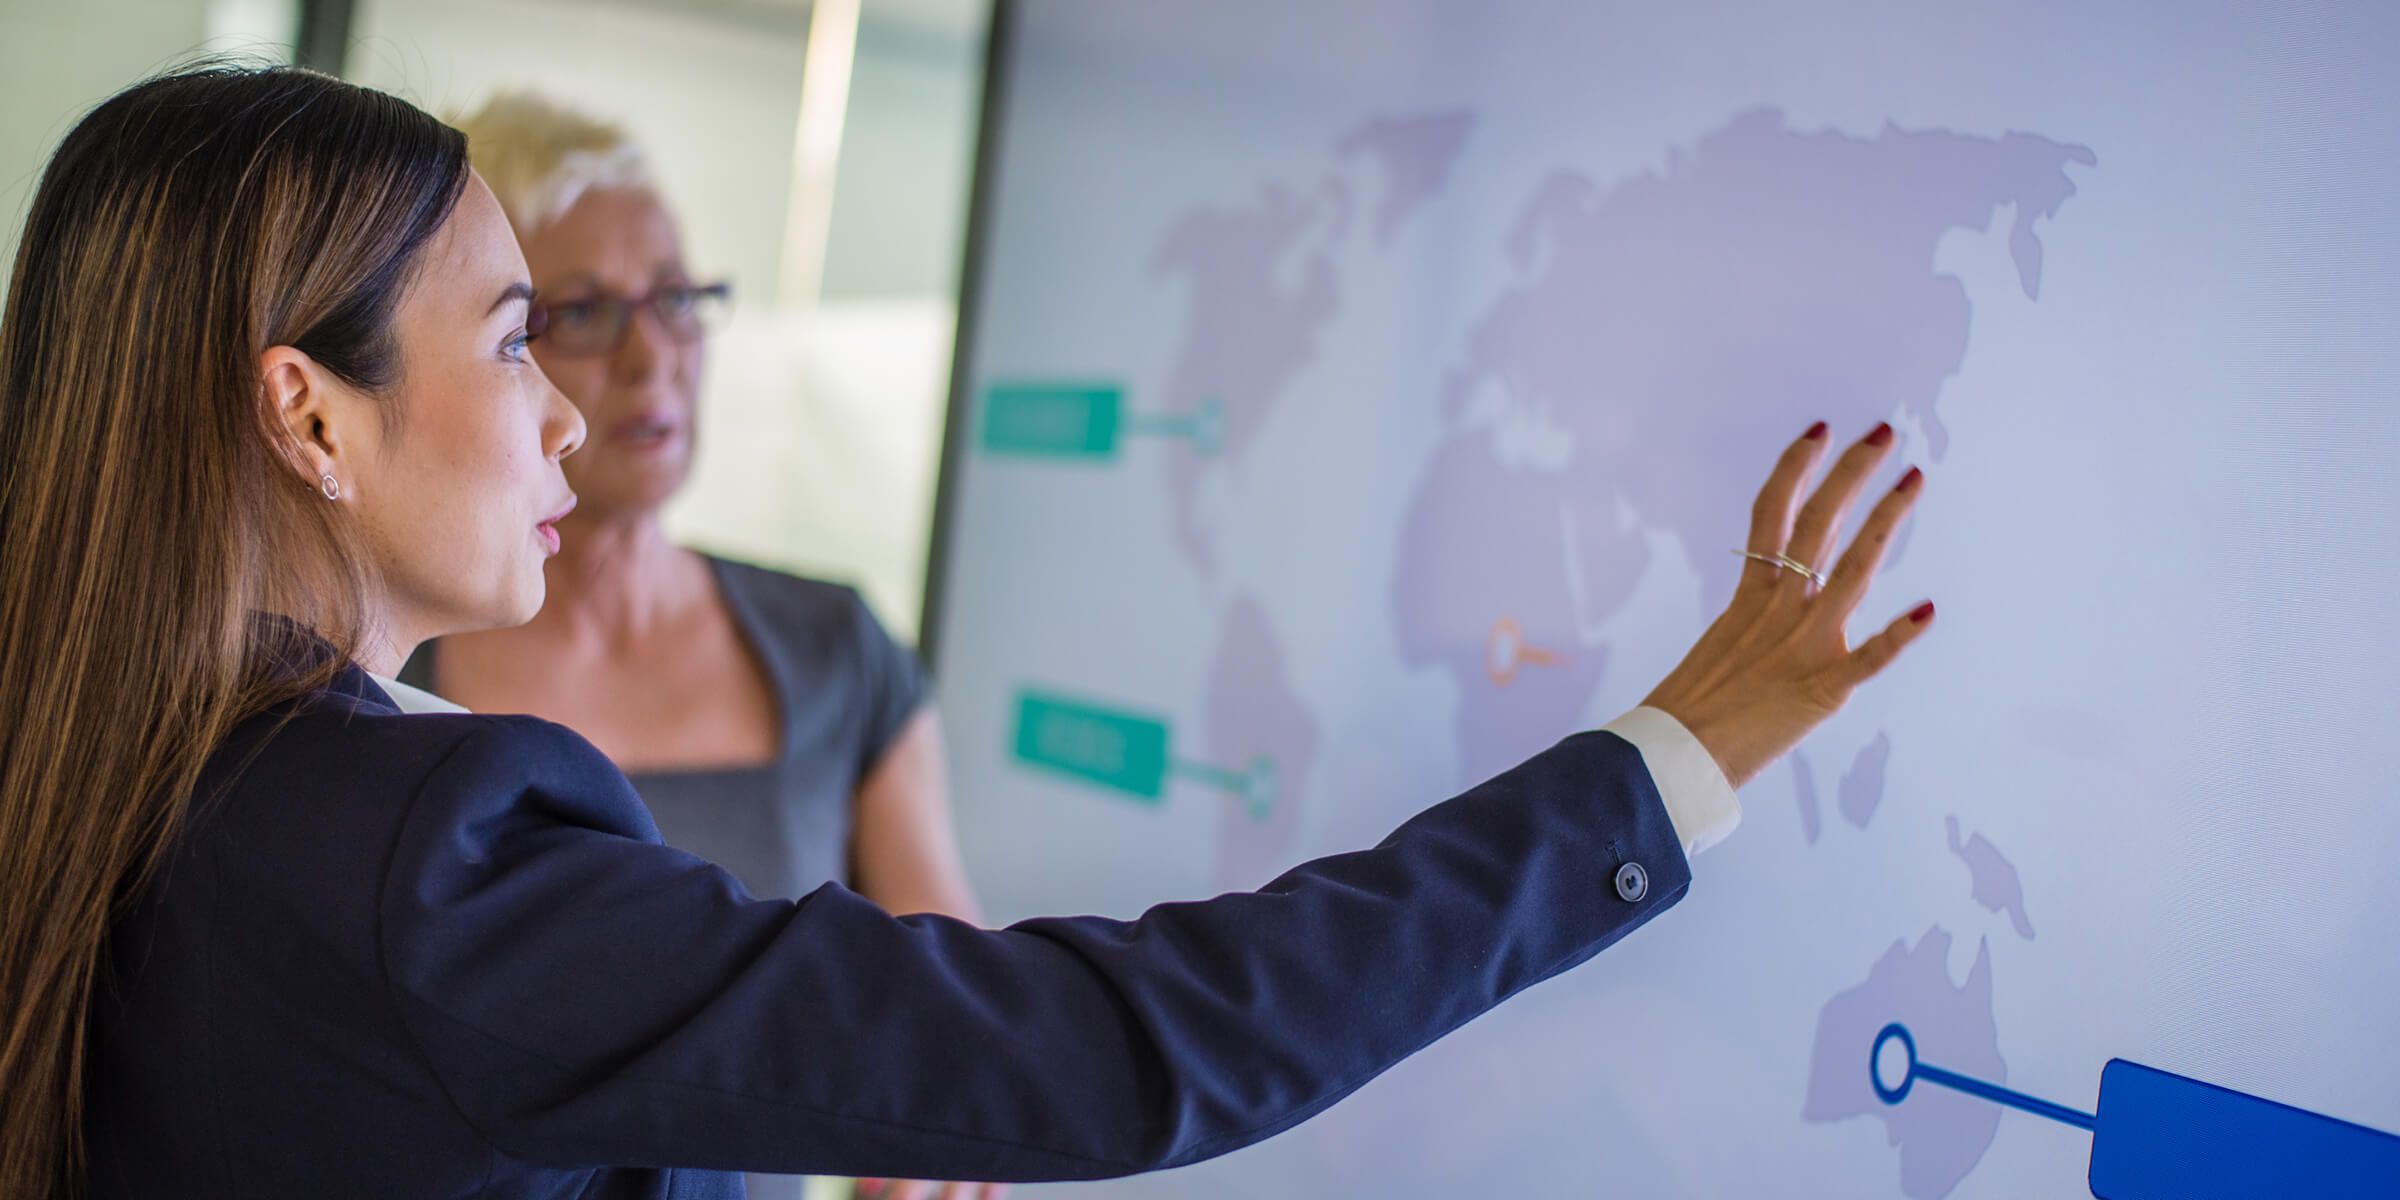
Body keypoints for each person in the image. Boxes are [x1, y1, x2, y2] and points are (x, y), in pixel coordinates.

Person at [0, 66, 1933, 1199]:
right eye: (521, 339)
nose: (579, 408)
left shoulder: (123, 773)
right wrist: (1657, 773)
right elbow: (1096, 1047)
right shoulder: (418, 852)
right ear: (309, 415)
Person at [402, 87, 990, 1200]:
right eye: (584, 311)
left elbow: (949, 1018)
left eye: (676, 298)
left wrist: (941, 1145)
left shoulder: (838, 649)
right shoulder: (390, 667)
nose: (653, 356)